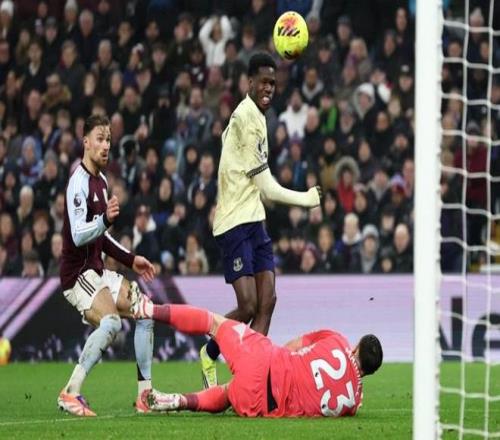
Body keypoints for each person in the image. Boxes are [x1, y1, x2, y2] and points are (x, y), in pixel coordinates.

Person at [201, 52, 322, 388]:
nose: (269, 88)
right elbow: (267, 187)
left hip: (254, 220)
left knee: (267, 302)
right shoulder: (245, 118)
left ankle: (250, 377)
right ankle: (209, 352)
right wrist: (307, 199)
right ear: (249, 82)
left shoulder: (255, 117)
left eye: (273, 83)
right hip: (233, 223)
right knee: (248, 306)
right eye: (264, 82)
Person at [57, 115, 158, 417]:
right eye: (99, 139)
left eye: (109, 140)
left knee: (145, 311)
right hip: (77, 275)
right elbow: (79, 235)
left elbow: (102, 236)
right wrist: (104, 220)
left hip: (97, 270)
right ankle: (70, 392)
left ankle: (145, 396)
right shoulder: (77, 183)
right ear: (85, 142)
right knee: (112, 323)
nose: (105, 146)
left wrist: (131, 259)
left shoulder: (101, 181)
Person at [132, 298, 383, 417]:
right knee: (228, 393)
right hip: (263, 405)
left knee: (214, 323)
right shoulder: (353, 403)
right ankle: (181, 400)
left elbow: (297, 345)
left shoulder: (338, 340)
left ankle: (149, 309)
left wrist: (273, 358)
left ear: (355, 348)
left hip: (265, 360)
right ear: (369, 373)